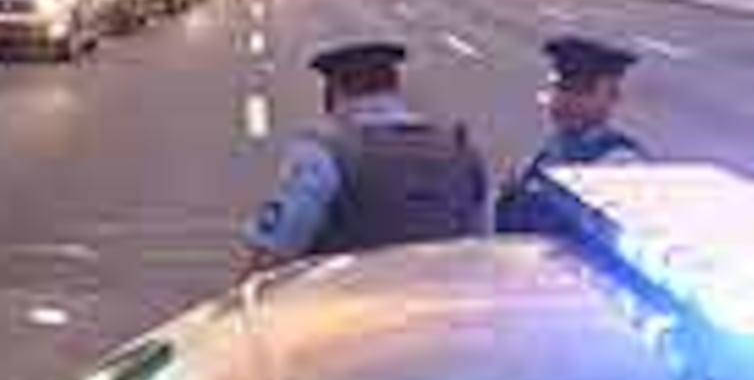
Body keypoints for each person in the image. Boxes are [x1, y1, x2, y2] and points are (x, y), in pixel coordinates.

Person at [241, 40, 489, 276]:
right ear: (395, 87)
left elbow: (271, 254)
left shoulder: (322, 155)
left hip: (351, 312)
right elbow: (479, 246)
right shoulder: (461, 151)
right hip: (445, 311)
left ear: (332, 95)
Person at [497, 36, 648, 232]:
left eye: (583, 91)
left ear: (612, 98)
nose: (568, 101)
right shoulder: (541, 157)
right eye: (562, 88)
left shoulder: (621, 166)